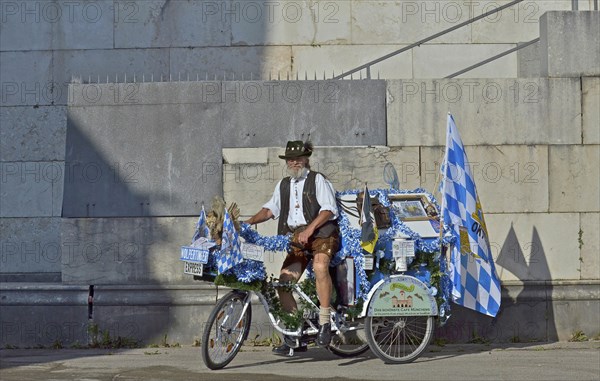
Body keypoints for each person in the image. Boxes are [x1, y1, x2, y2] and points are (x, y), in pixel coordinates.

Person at [244, 140, 339, 355]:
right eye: (290, 159)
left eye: (298, 158)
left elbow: (328, 210)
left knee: (320, 266)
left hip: (322, 234)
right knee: (284, 283)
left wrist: (310, 230)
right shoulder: (284, 185)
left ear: (306, 159)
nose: (294, 162)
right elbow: (269, 210)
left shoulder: (318, 180)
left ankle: (324, 322)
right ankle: (296, 333)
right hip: (296, 239)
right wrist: (247, 223)